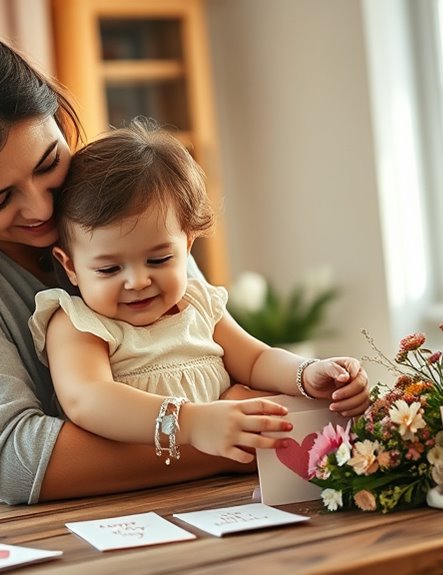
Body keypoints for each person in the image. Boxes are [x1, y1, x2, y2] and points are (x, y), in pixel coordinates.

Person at [0, 28, 367, 513]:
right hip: (17, 542)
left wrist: (300, 383)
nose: (42, 208)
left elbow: (236, 362)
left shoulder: (116, 202)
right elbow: (17, 462)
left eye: (48, 163)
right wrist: (231, 437)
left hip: (192, 512)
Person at [29, 119, 369, 465]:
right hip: (143, 486)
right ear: (70, 266)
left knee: (323, 421)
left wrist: (307, 373)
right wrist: (191, 424)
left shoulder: (198, 303)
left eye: (159, 259)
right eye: (109, 269)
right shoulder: (79, 323)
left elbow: (256, 360)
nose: (138, 281)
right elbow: (87, 398)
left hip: (224, 483)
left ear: (188, 246)